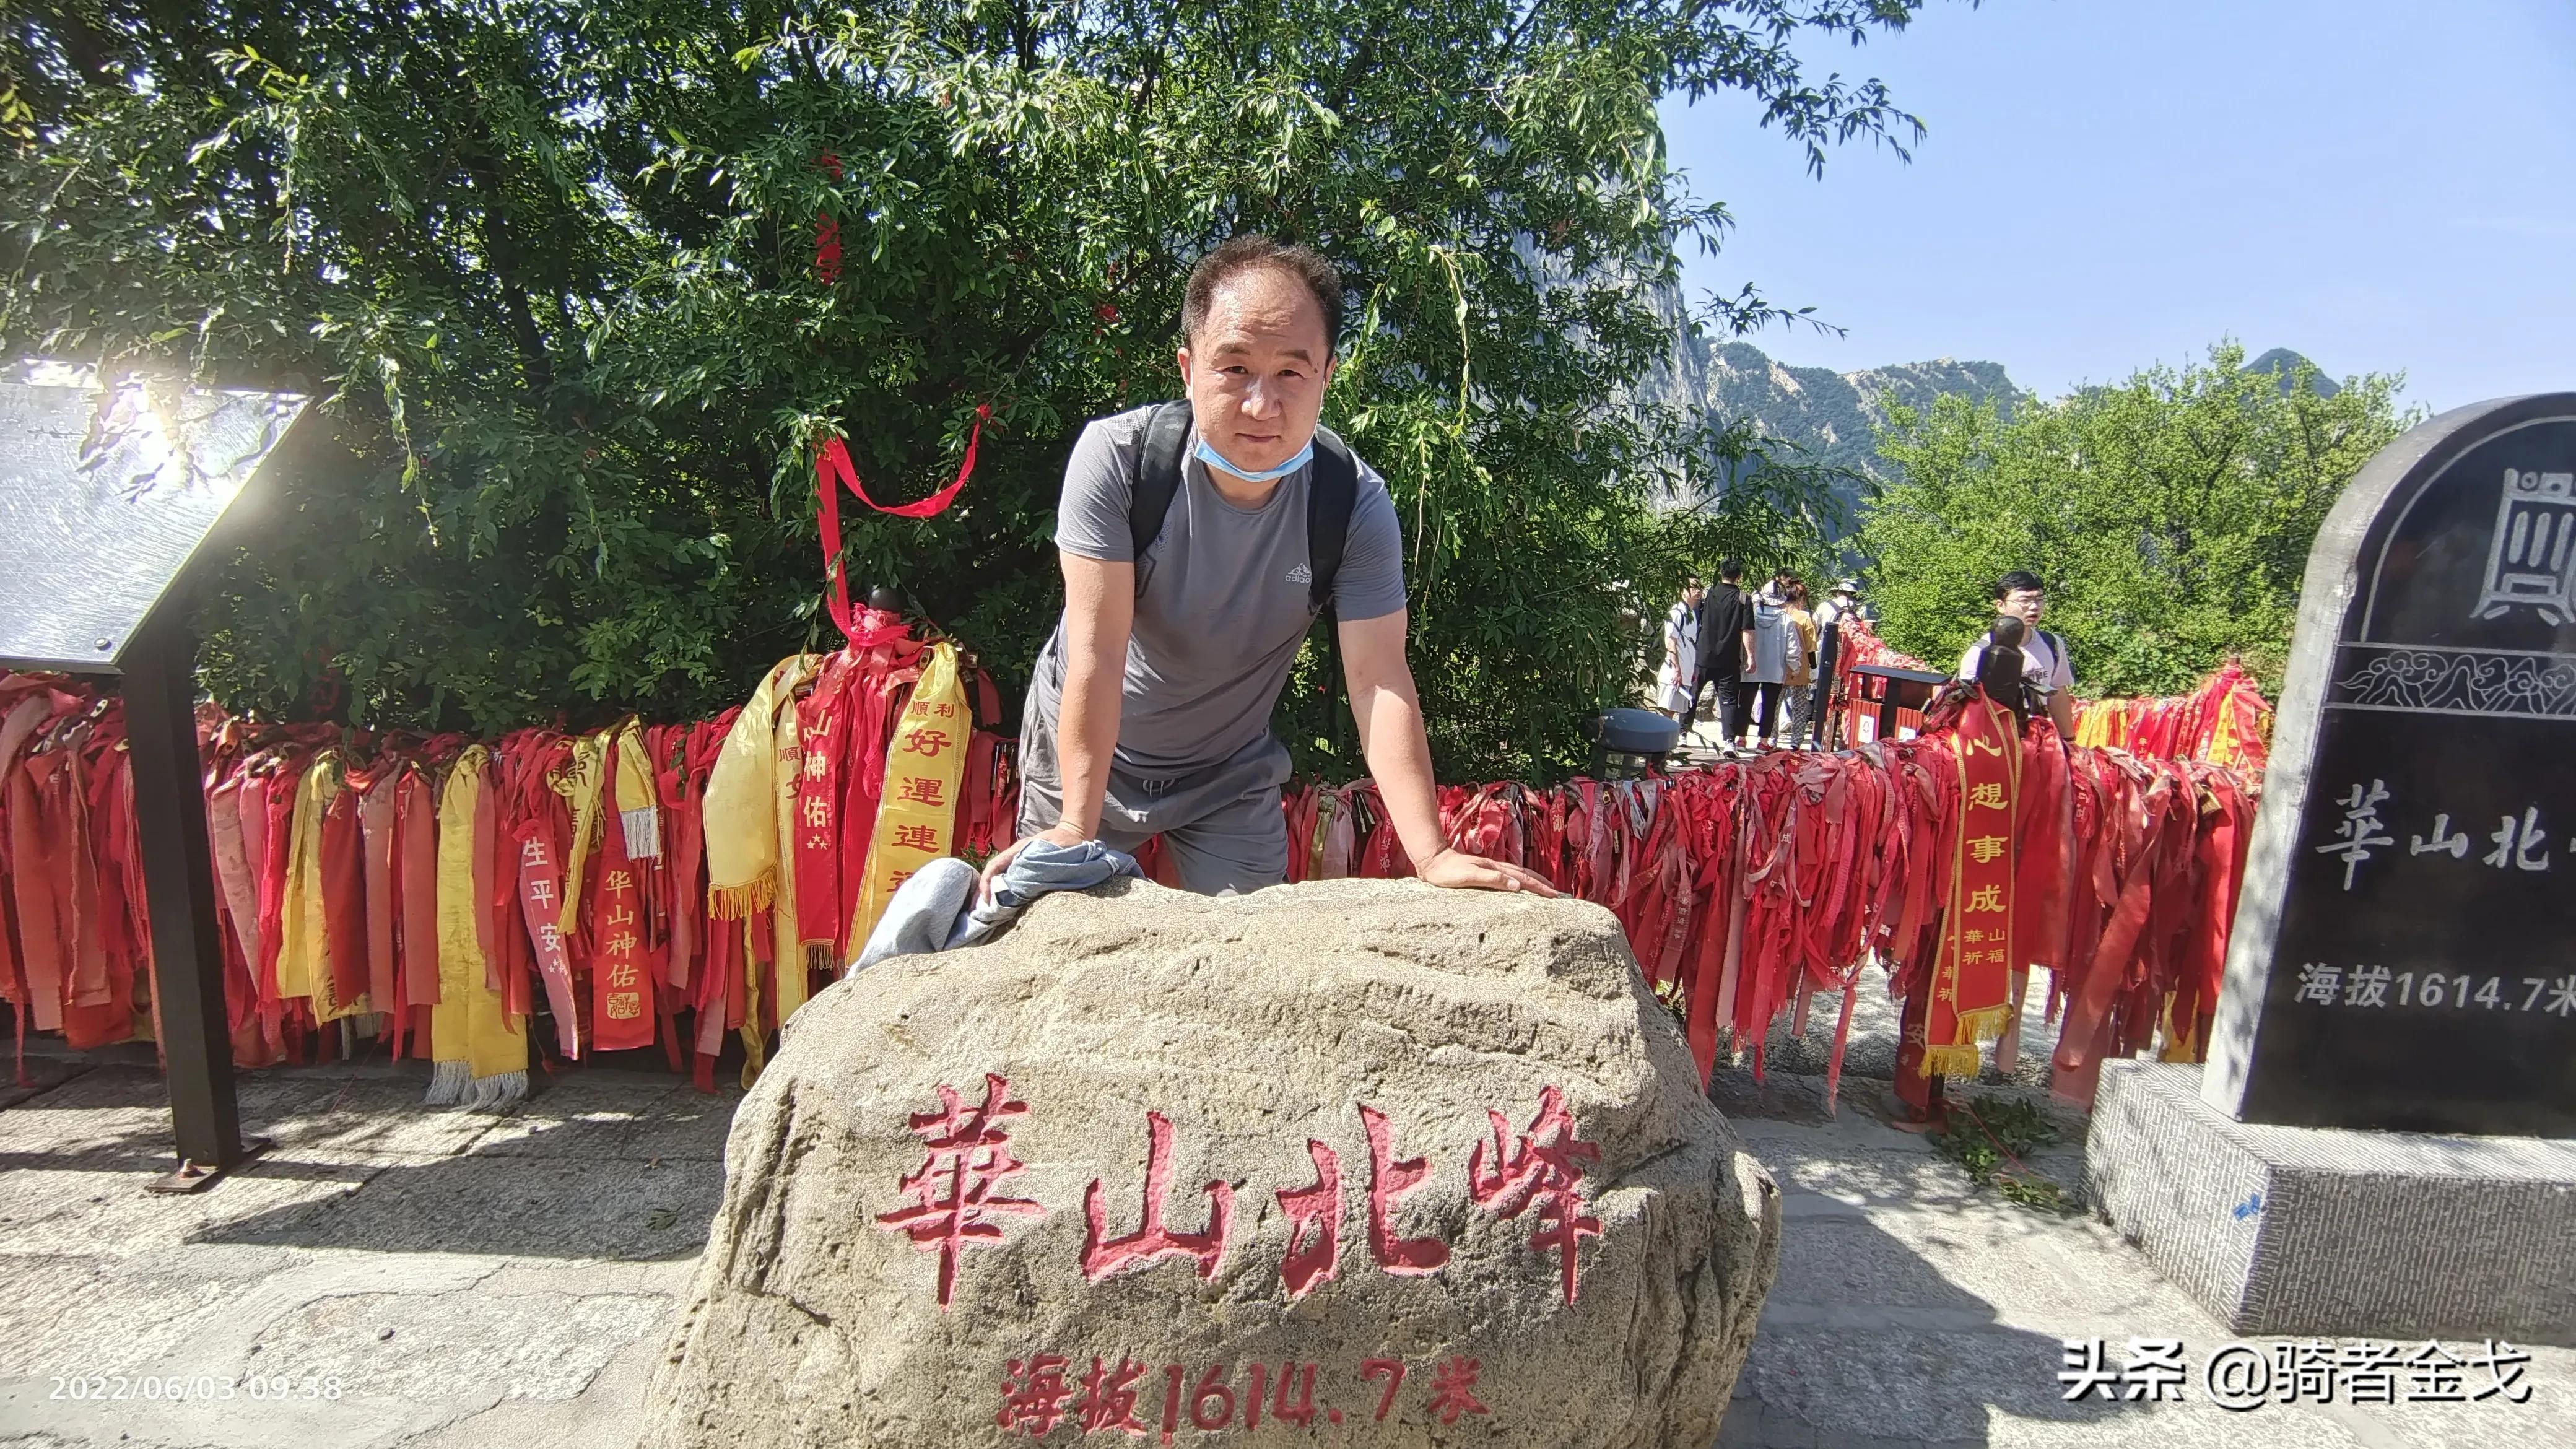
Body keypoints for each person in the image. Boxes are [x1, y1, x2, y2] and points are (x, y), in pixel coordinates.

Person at [991, 235, 1554, 898]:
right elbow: (1098, 650)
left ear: (1327, 375)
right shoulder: (1121, 461)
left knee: (1255, 945)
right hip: (1088, 758)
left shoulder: (1350, 504)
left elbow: (1378, 679)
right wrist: (1074, 830)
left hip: (1227, 770)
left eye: (1290, 373)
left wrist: (1430, 854)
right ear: (1187, 369)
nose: (1262, 405)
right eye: (1234, 368)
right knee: (1066, 916)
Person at [1958, 570, 2077, 738]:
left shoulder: (2052, 644)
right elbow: (1968, 709)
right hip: (1995, 740)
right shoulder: (1980, 653)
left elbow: (2057, 692)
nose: (2034, 607)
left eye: (2039, 599)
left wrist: (2069, 740)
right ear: (2001, 606)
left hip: (2040, 736)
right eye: (2024, 600)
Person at [1690, 559, 1754, 744]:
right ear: (1739, 577)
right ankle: (1729, 741)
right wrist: (1751, 656)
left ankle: (1683, 732)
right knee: (1729, 700)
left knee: (1693, 694)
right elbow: (1747, 630)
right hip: (1729, 657)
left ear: (1721, 573)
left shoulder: (1708, 594)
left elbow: (1697, 619)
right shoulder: (1743, 598)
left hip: (1703, 654)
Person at [1805, 578, 1858, 748]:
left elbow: (1815, 626)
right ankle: (1838, 722)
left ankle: (1813, 717)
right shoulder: (1858, 609)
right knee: (1842, 687)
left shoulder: (1825, 606)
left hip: (1825, 647)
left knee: (1818, 682)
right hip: (1849, 653)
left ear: (1838, 591)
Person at [1743, 577, 1794, 747]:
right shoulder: (1786, 620)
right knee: (1770, 706)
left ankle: (1740, 738)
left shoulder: (1752, 616)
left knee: (1745, 703)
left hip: (1750, 667)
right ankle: (1763, 741)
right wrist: (1793, 667)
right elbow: (1793, 648)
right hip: (1776, 669)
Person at [1778, 581, 1821, 746]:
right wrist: (1814, 669)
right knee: (1799, 706)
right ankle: (1796, 741)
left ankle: (1771, 738)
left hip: (1779, 667)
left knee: (1775, 705)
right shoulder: (1804, 618)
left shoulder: (1779, 614)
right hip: (1801, 667)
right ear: (1801, 599)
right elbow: (1811, 647)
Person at [1654, 577, 1702, 718]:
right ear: (1682, 591)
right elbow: (1670, 642)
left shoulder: (1692, 614)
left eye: (1699, 587)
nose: (1698, 591)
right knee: (1666, 713)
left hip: (1685, 673)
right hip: (1673, 674)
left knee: (1672, 712)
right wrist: (1676, 670)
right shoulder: (1676, 613)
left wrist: (1692, 670)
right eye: (1693, 587)